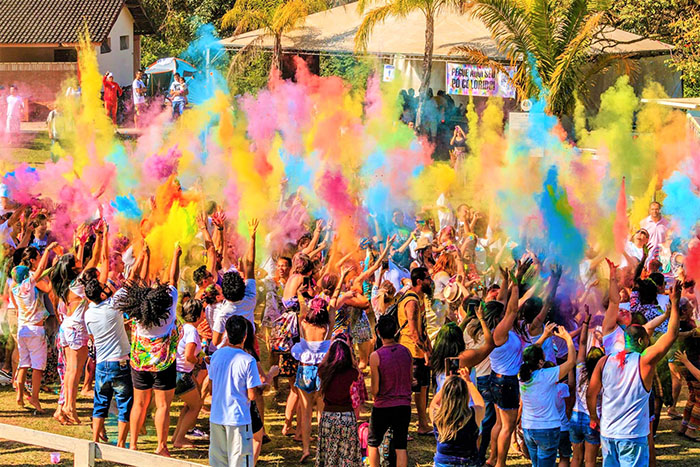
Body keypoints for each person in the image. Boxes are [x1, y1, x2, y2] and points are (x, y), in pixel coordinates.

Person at [587, 280, 681, 467]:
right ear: (640, 340)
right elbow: (671, 335)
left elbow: (591, 393)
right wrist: (676, 303)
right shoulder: (644, 361)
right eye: (647, 340)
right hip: (632, 436)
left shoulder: (604, 361)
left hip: (608, 434)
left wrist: (593, 417)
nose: (649, 342)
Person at [115, 243, 181, 455]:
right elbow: (173, 280)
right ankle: (161, 446)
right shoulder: (168, 310)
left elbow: (132, 285)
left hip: (140, 364)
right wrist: (175, 254)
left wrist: (143, 257)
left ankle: (132, 445)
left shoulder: (137, 314)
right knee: (162, 406)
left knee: (139, 404)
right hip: (164, 364)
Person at [83, 253, 139, 447]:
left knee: (100, 404)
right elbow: (131, 281)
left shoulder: (88, 314)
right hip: (120, 362)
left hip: (101, 364)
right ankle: (121, 444)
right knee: (124, 404)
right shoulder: (113, 305)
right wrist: (141, 257)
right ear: (101, 294)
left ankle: (94, 441)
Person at [208, 315, 262, 467]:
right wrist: (265, 384)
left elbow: (211, 388)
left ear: (226, 332)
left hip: (217, 416)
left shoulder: (216, 355)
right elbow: (251, 395)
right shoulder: (248, 360)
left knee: (219, 462)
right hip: (238, 418)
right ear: (245, 336)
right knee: (240, 462)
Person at [519, 327, 576, 467]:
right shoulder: (547, 375)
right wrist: (568, 338)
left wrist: (544, 336)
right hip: (547, 429)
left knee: (536, 464)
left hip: (528, 428)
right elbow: (571, 362)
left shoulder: (521, 375)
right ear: (540, 362)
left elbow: (529, 354)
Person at [11, 243, 57, 412]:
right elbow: (40, 270)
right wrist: (48, 250)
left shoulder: (15, 289)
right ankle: (35, 399)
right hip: (35, 330)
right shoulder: (28, 285)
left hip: (22, 329)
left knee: (23, 364)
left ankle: (19, 395)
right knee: (37, 367)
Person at [368, 314, 413, 467]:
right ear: (395, 331)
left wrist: (373, 394)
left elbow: (375, 389)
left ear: (378, 333)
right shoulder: (406, 352)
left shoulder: (376, 356)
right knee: (401, 446)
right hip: (403, 405)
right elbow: (410, 379)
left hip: (383, 405)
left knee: (373, 443)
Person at [396, 266, 433, 435]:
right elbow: (413, 332)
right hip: (412, 352)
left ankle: (423, 423)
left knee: (422, 388)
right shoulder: (411, 301)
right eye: (427, 279)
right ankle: (407, 426)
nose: (430, 281)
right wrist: (425, 351)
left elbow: (421, 328)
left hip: (417, 351)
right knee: (411, 390)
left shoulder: (417, 298)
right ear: (419, 281)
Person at [316, 336, 363, 467]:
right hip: (347, 417)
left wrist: (331, 346)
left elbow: (321, 364)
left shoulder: (325, 372)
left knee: (329, 453)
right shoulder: (353, 373)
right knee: (347, 454)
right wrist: (348, 347)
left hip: (328, 418)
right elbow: (356, 368)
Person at [212, 219, 258, 348]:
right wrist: (252, 238)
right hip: (248, 346)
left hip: (230, 349)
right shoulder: (250, 296)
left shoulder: (224, 312)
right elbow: (250, 264)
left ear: (225, 295)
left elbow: (215, 342)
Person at [430, 370, 485, 467]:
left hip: (442, 462)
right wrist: (468, 382)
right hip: (468, 462)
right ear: (465, 395)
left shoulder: (437, 415)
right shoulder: (472, 415)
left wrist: (446, 384)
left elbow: (433, 404)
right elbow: (480, 404)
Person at [570, 309, 604, 467]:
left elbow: (582, 343)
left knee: (576, 458)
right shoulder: (604, 378)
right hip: (593, 419)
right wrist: (602, 341)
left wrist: (585, 323)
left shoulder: (580, 370)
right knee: (590, 460)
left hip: (576, 417)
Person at [172, 298, 204, 449]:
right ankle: (179, 439)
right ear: (197, 315)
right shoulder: (192, 331)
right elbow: (189, 356)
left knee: (188, 405)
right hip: (182, 373)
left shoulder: (183, 327)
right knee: (195, 406)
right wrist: (199, 361)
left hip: (178, 371)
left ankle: (176, 435)